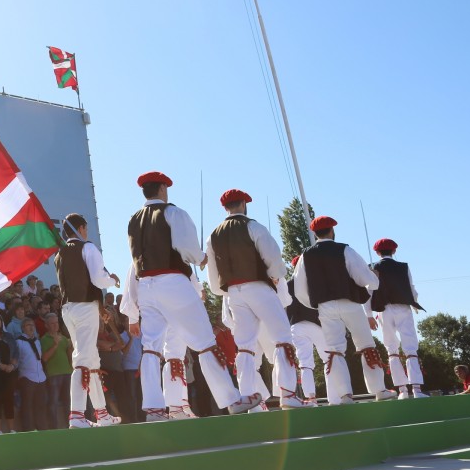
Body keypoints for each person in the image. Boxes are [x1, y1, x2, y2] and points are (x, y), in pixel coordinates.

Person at [122, 172, 256, 421]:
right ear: (163, 188)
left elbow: (133, 264)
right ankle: (230, 399)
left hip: (146, 287)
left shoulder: (133, 220)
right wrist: (201, 258)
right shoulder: (173, 213)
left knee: (152, 348)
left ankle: (156, 408)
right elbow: (187, 249)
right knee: (205, 341)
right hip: (173, 282)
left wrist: (131, 312)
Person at [206, 189, 309, 409]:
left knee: (244, 345)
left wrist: (225, 290)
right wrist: (275, 276)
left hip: (233, 293)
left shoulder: (213, 236)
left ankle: (247, 395)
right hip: (258, 287)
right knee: (282, 337)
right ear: (244, 204)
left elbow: (214, 279)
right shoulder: (253, 226)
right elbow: (273, 258)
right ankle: (288, 394)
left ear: (225, 207)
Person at [293, 216, 396, 404]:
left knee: (334, 351)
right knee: (366, 345)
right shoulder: (344, 250)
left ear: (314, 234)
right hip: (350, 302)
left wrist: (315, 304)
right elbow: (364, 277)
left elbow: (299, 289)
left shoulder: (305, 256)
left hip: (325, 307)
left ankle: (344, 396)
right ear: (332, 230)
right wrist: (373, 281)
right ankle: (379, 390)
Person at [54, 212, 123, 428]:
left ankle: (102, 414)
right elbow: (98, 279)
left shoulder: (60, 254)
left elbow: (82, 282)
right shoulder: (88, 248)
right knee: (84, 359)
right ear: (81, 228)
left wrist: (100, 307)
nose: (87, 232)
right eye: (86, 228)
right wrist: (112, 279)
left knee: (91, 359)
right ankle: (76, 415)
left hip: (69, 309)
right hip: (85, 308)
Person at [370, 238, 429, 399]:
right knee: (410, 346)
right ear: (394, 251)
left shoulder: (373, 267)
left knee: (391, 348)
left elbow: (370, 292)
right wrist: (414, 303)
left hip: (384, 309)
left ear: (377, 252)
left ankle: (402, 390)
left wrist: (369, 314)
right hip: (403, 307)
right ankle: (416, 389)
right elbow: (412, 288)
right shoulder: (403, 267)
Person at [282, 257, 328, 402]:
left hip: (296, 325)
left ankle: (310, 397)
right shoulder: (314, 282)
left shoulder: (287, 285)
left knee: (305, 362)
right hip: (316, 323)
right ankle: (336, 396)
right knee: (329, 359)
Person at [40, 312, 73, 430]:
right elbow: (44, 358)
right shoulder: (43, 339)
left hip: (68, 373)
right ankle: (54, 428)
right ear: (46, 325)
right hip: (53, 374)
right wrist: (55, 344)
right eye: (52, 323)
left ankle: (71, 426)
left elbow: (69, 356)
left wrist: (70, 348)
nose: (55, 325)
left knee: (69, 402)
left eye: (56, 323)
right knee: (53, 402)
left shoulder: (64, 338)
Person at [15, 316, 48, 431]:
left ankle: (41, 428)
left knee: (40, 405)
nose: (31, 327)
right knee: (27, 406)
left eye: (33, 325)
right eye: (28, 325)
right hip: (27, 377)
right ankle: (28, 429)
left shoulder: (37, 341)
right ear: (23, 328)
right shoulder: (19, 342)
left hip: (41, 377)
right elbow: (16, 360)